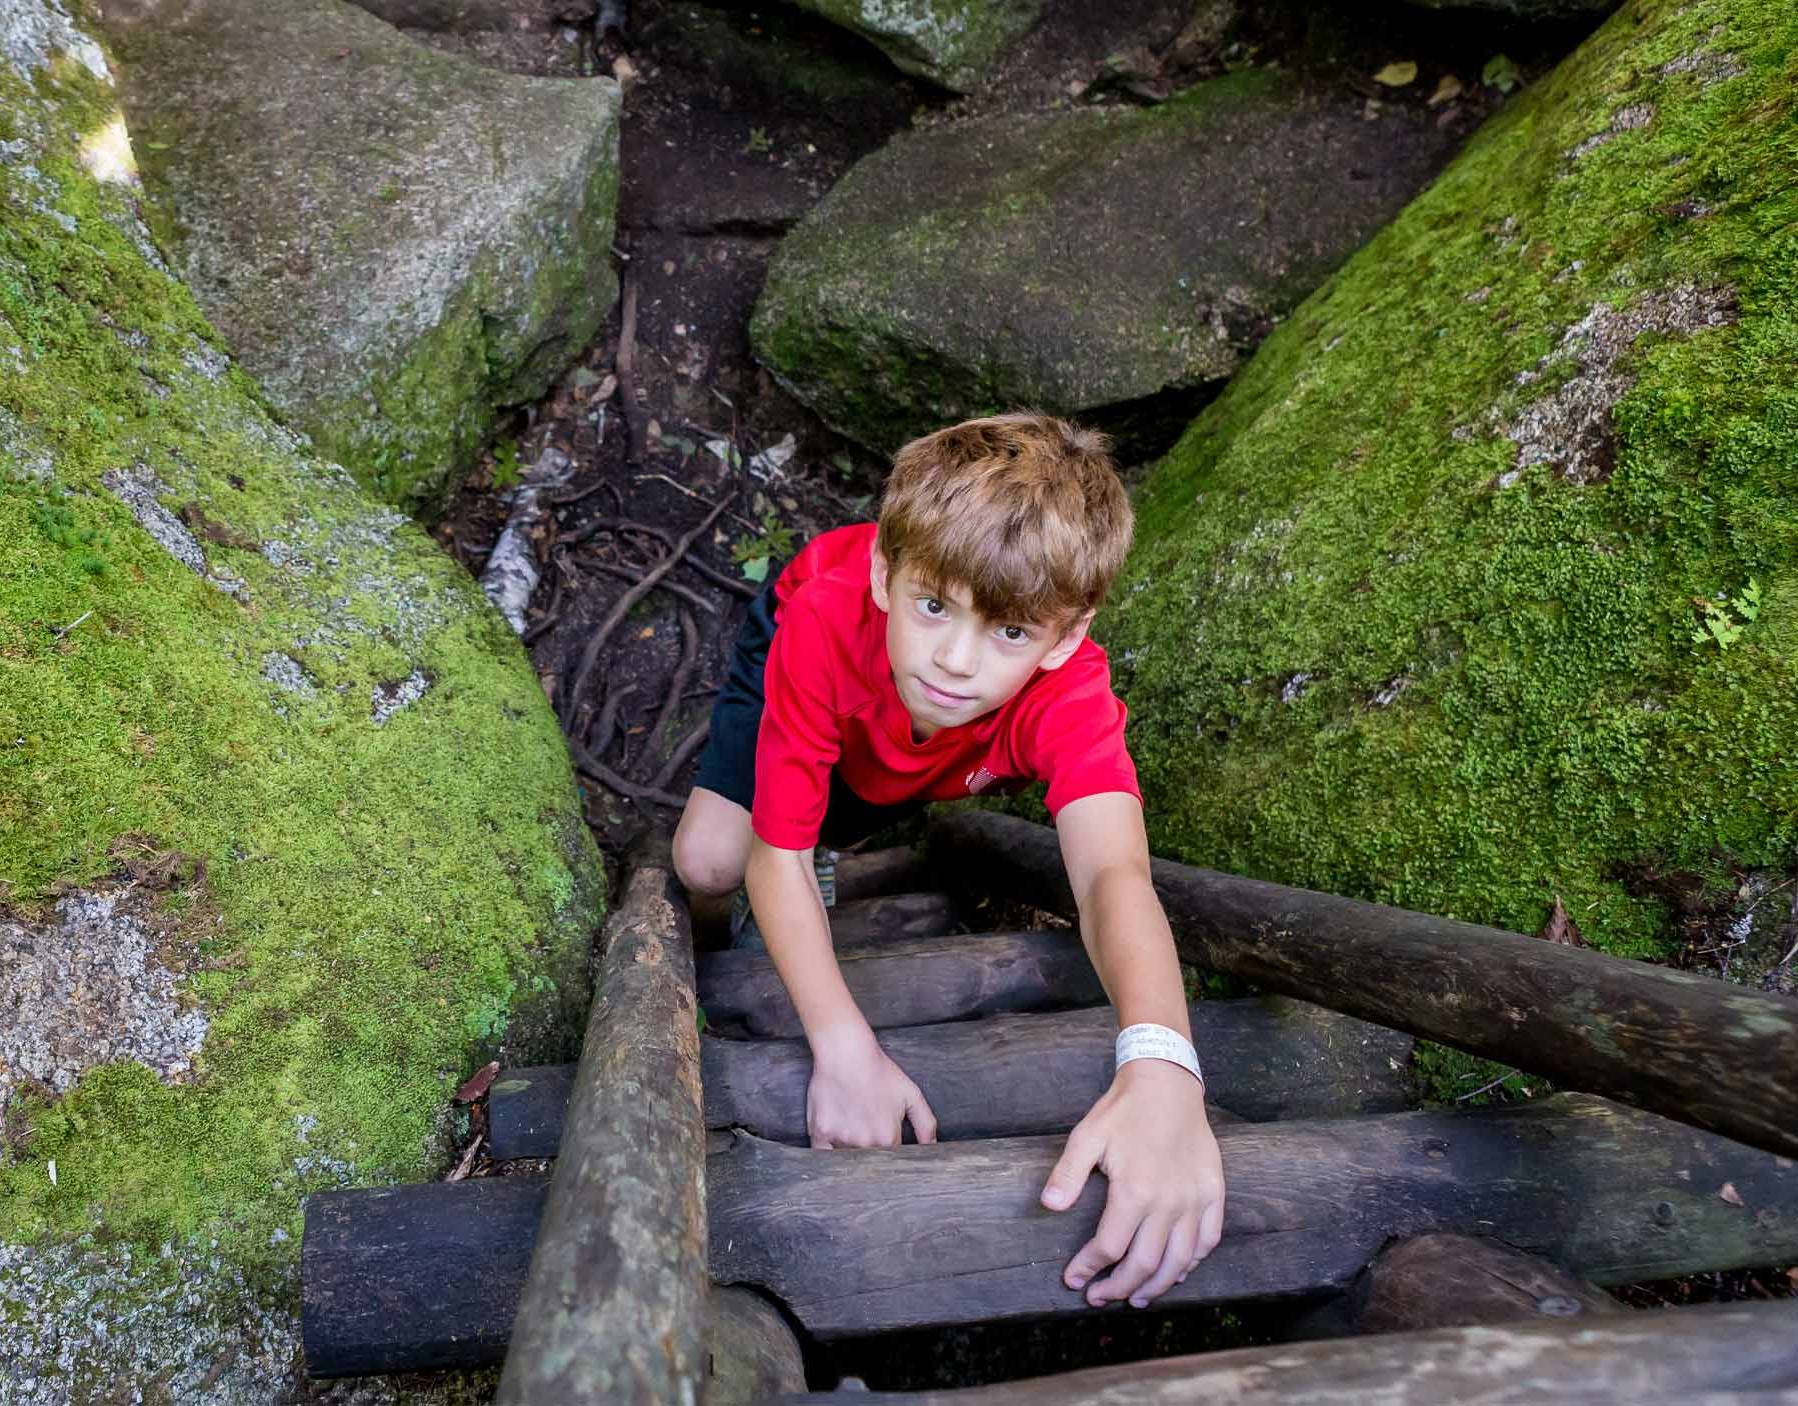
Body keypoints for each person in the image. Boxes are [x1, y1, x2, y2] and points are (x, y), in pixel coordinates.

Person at [673, 412, 1225, 1310]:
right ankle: (770, 883)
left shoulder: (1069, 694)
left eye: (1010, 633)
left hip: (902, 748)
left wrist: (1163, 1065)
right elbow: (773, 856)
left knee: (870, 792)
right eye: (935, 607)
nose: (957, 662)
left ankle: (848, 817)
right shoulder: (823, 618)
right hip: (821, 667)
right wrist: (845, 1047)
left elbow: (1111, 873)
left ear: (1068, 635)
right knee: (706, 859)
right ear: (888, 578)